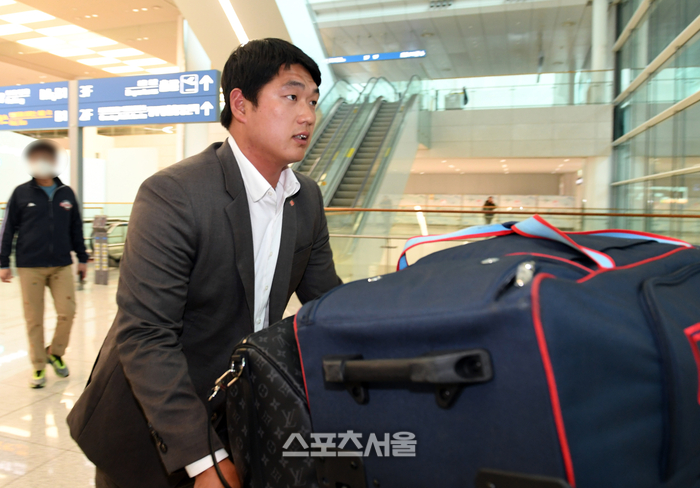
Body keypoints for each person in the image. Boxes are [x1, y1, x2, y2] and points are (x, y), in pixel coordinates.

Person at [67, 38, 342, 488]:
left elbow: (328, 303)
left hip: (237, 413)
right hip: (152, 423)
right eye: (291, 96)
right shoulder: (174, 194)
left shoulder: (305, 197)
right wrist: (202, 458)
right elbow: (146, 335)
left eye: (313, 100)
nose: (308, 115)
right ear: (241, 104)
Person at [0, 140, 88, 389]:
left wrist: (82, 258)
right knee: (34, 318)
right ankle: (38, 365)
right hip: (30, 266)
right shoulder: (21, 193)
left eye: (47, 158)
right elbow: (7, 229)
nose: (42, 163)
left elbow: (75, 228)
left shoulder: (66, 193)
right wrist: (3, 262)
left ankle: (55, 352)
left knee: (67, 312)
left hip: (61, 264)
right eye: (37, 158)